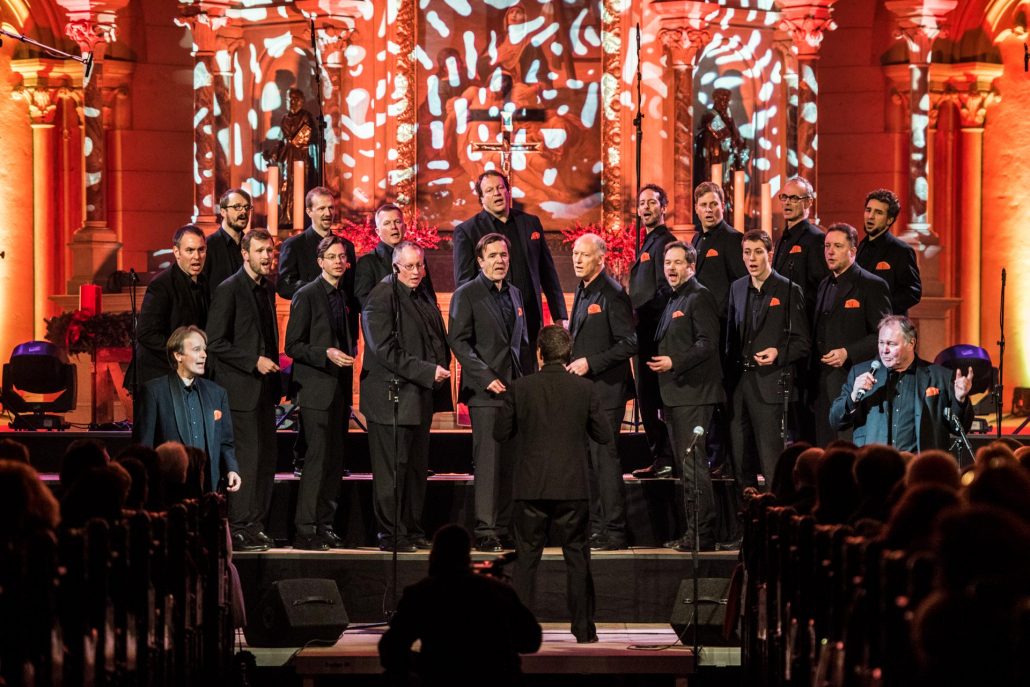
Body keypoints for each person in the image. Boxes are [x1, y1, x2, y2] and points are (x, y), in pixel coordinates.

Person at [494, 325, 610, 643]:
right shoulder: (584, 390)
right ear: (568, 354)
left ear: (540, 354)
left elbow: (500, 433)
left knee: (527, 559)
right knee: (577, 557)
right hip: (573, 488)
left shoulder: (520, 388)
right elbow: (604, 435)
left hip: (530, 487)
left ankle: (518, 631)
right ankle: (584, 630)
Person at [362, 241, 452, 552]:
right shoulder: (382, 296)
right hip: (392, 399)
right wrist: (428, 371)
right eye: (409, 266)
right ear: (396, 266)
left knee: (415, 470)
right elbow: (384, 349)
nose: (416, 271)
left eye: (420, 266)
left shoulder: (421, 293)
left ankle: (411, 529)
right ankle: (391, 534)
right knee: (393, 471)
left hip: (418, 398)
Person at [378, 524, 542, 687]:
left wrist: (423, 663)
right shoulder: (498, 590)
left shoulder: (421, 593)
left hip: (443, 678)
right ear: (467, 556)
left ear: (434, 556)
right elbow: (530, 642)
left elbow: (390, 649)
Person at [447, 233, 528, 553]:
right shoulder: (466, 294)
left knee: (510, 463)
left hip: (513, 392)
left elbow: (519, 344)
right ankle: (485, 529)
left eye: (503, 256)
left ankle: (504, 527)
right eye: (492, 256)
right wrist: (485, 377)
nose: (499, 261)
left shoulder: (516, 293)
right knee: (489, 463)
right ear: (480, 261)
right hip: (485, 394)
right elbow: (458, 340)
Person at [207, 229, 283, 552]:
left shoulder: (266, 289)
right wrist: (254, 361)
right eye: (261, 251)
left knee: (265, 460)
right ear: (245, 254)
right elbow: (215, 341)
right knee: (245, 461)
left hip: (263, 391)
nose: (267, 256)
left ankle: (255, 524)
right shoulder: (229, 290)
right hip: (240, 391)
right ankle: (237, 526)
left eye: (270, 251)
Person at [647, 242, 724, 551]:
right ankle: (693, 531)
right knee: (687, 468)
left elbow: (707, 343)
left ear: (692, 266)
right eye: (668, 262)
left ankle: (703, 534)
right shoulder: (674, 298)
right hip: (676, 396)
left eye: (678, 262)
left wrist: (673, 362)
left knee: (694, 466)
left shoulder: (699, 296)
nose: (672, 268)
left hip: (694, 394)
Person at [452, 170, 566, 371]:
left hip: (530, 320)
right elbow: (464, 283)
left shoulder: (530, 223)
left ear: (508, 191)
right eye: (489, 190)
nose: (496, 193)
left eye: (500, 188)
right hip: (493, 324)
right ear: (481, 198)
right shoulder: (467, 231)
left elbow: (548, 273)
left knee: (528, 378)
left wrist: (560, 315)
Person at [283, 236, 356, 551]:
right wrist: (324, 352)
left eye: (342, 256)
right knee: (317, 459)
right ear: (320, 261)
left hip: (338, 388)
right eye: (332, 256)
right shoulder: (308, 294)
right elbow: (293, 345)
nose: (339, 261)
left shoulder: (343, 295)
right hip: (315, 390)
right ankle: (306, 529)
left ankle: (325, 525)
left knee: (334, 460)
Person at [725, 230, 810, 491]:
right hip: (741, 385)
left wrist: (777, 353)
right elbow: (730, 338)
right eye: (747, 252)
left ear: (770, 254)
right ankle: (746, 522)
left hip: (771, 385)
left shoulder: (788, 289)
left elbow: (802, 342)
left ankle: (775, 519)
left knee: (771, 460)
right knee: (740, 459)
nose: (752, 258)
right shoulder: (737, 288)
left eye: (758, 252)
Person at [567, 233, 637, 551]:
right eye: (575, 254)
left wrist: (590, 364)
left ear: (601, 258)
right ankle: (598, 527)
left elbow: (629, 342)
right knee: (592, 463)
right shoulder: (583, 291)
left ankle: (616, 532)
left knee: (606, 462)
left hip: (607, 393)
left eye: (584, 254)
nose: (578, 259)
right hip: (586, 394)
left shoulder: (612, 293)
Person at [830, 315, 974, 452]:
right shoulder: (860, 372)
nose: (884, 350)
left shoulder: (940, 376)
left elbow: (959, 429)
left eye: (891, 344)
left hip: (918, 468)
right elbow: (836, 421)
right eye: (881, 343)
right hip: (873, 464)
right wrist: (853, 396)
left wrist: (960, 400)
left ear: (911, 343)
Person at [133, 326, 241, 494]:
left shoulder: (217, 393)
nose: (204, 355)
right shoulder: (154, 391)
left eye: (204, 350)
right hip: (168, 489)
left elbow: (225, 442)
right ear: (178, 355)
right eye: (197, 349)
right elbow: (143, 447)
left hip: (207, 489)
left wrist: (232, 469)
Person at [810, 223, 892, 445]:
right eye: (827, 246)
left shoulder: (871, 285)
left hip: (854, 381)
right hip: (823, 382)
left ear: (853, 251)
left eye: (837, 246)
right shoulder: (824, 284)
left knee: (848, 448)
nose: (830, 251)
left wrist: (848, 352)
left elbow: (884, 338)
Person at [628, 183, 676, 479]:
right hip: (643, 333)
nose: (645, 208)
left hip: (655, 334)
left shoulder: (665, 243)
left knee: (654, 399)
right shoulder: (648, 242)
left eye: (652, 202)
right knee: (646, 398)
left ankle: (666, 457)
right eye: (641, 203)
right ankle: (660, 456)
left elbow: (666, 290)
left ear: (663, 207)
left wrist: (639, 314)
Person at [126, 224, 210, 391]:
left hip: (182, 375)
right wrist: (184, 353)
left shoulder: (204, 282)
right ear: (177, 252)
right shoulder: (161, 285)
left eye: (201, 250)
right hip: (157, 376)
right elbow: (146, 333)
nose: (197, 257)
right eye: (190, 250)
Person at [354, 202, 435, 308]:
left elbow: (429, 295)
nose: (393, 227)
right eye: (387, 223)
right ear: (378, 231)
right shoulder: (368, 262)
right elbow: (363, 302)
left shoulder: (417, 256)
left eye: (397, 222)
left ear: (405, 227)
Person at [857, 189, 921, 316]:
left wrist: (881, 307)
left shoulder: (901, 250)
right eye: (868, 210)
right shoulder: (859, 248)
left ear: (889, 220)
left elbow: (913, 292)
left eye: (878, 212)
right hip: (860, 328)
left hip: (888, 327)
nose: (870, 216)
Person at [771, 176, 827, 320]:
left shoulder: (816, 238)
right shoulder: (780, 241)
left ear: (808, 202)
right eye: (784, 197)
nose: (787, 202)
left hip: (802, 320)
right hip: (780, 319)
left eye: (794, 198)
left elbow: (820, 287)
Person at [691, 181, 747, 318]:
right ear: (696, 208)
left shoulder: (734, 238)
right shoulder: (696, 238)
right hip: (699, 316)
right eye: (703, 205)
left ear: (722, 206)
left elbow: (742, 283)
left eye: (714, 204)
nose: (709, 210)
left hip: (721, 319)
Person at [203, 188, 251, 290]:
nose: (244, 211)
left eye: (247, 207)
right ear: (223, 211)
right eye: (237, 207)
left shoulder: (251, 245)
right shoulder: (208, 246)